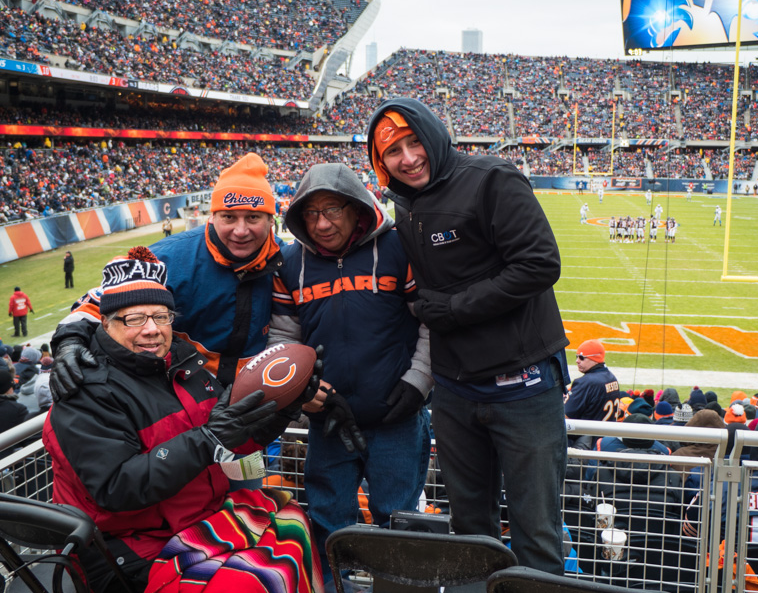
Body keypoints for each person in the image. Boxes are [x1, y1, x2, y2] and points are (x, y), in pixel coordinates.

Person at [367, 97, 570, 575]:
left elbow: (540, 264)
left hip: (522, 385)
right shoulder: (404, 201)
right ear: (381, 162)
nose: (409, 158)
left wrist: (455, 308)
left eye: (414, 142)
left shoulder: (491, 179)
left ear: (434, 135)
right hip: (456, 391)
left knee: (536, 530)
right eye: (393, 151)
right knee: (470, 529)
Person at [42, 246, 320, 592]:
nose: (151, 330)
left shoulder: (185, 364)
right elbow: (117, 488)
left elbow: (231, 439)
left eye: (161, 316)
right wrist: (208, 440)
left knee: (295, 522)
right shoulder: (84, 391)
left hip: (197, 517)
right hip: (129, 547)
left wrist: (285, 409)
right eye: (134, 318)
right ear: (106, 323)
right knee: (249, 583)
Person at [268, 162, 433, 590]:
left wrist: (418, 382)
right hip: (329, 424)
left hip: (397, 420)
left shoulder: (399, 248)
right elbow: (284, 340)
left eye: (333, 210)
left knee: (398, 523)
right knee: (326, 526)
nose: (322, 224)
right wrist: (301, 390)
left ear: (357, 207)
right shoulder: (291, 263)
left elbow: (432, 322)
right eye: (310, 214)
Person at [50, 153, 285, 400]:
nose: (240, 230)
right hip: (182, 398)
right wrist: (70, 341)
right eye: (228, 217)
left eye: (253, 217)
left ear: (271, 220)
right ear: (212, 216)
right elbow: (99, 302)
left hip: (257, 399)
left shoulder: (286, 259)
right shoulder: (166, 258)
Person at [564, 340, 620, 426]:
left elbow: (565, 416)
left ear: (595, 359)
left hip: (589, 436)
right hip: (607, 435)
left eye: (582, 357)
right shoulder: (612, 377)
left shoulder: (586, 382)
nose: (577, 361)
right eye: (577, 357)